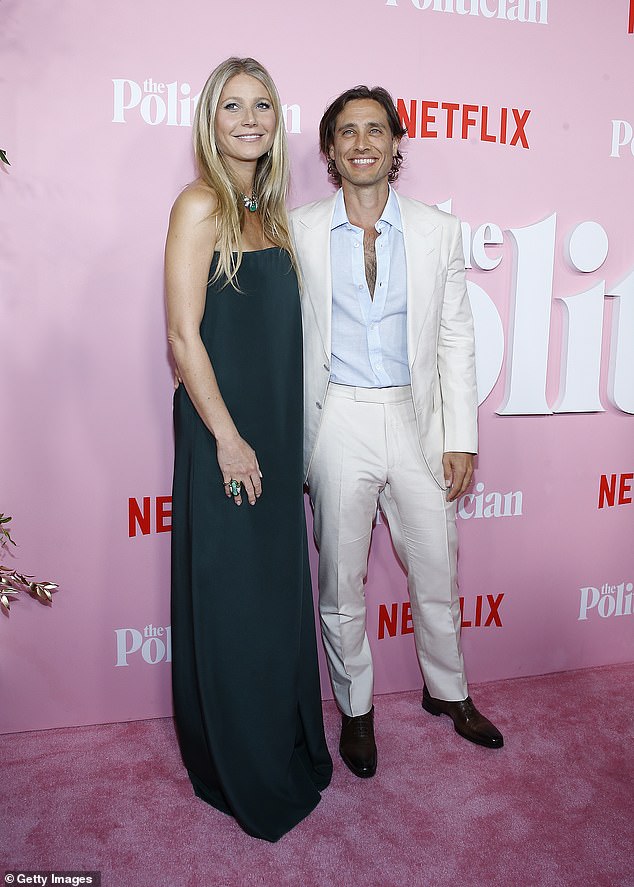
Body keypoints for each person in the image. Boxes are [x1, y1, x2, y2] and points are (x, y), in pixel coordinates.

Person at [290, 86, 503, 779]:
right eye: (346, 132)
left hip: (418, 419)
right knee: (340, 579)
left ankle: (449, 691)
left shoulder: (440, 230)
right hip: (338, 420)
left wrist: (461, 436)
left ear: (395, 144)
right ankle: (356, 710)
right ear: (329, 149)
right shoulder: (298, 231)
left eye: (374, 130)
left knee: (437, 565)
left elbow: (455, 339)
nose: (361, 143)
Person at [165, 57, 332, 841]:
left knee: (271, 600)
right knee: (233, 602)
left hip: (270, 428)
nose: (249, 119)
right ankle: (237, 759)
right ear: (211, 118)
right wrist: (229, 439)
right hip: (224, 433)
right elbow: (181, 335)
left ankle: (279, 739)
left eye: (261, 104)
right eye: (232, 105)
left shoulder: (271, 212)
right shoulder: (200, 206)